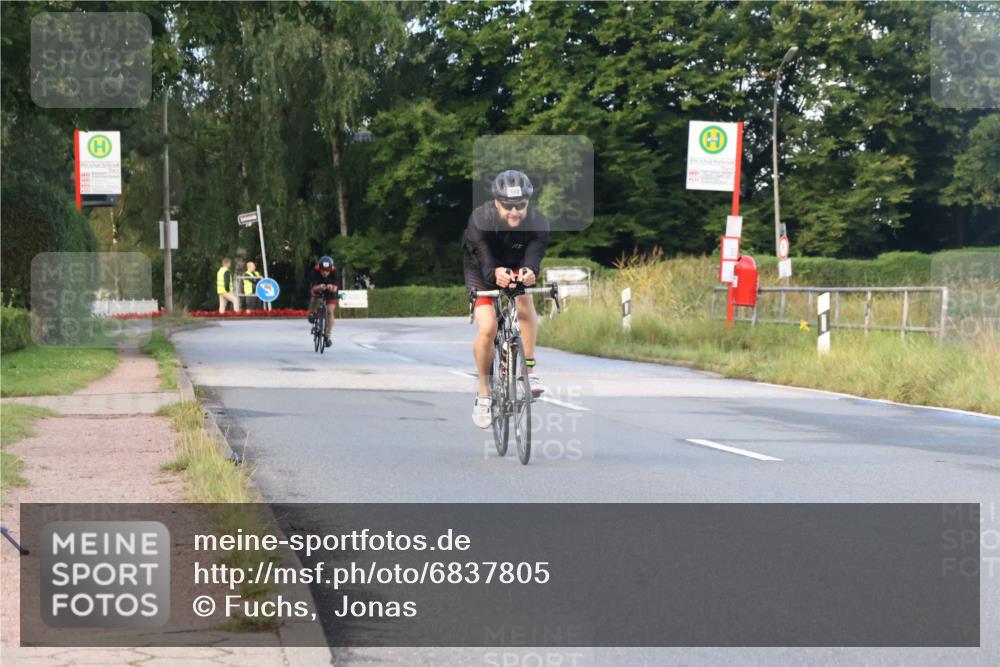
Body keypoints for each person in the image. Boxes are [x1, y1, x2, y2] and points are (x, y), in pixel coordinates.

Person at [463, 170, 550, 428]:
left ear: (528, 204)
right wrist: (493, 273)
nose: (514, 212)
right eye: (508, 206)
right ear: (497, 203)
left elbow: (534, 256)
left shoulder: (538, 222)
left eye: (520, 206)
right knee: (488, 327)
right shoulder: (480, 219)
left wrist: (529, 271)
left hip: (514, 264)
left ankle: (530, 372)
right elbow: (484, 257)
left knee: (524, 301)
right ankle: (484, 393)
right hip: (480, 267)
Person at [307, 255, 339, 348]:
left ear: (331, 269)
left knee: (330, 311)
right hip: (318, 288)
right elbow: (312, 289)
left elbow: (335, 288)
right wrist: (319, 287)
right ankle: (312, 313)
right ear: (319, 269)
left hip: (330, 292)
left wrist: (331, 287)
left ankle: (328, 335)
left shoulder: (335, 272)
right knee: (314, 297)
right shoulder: (314, 272)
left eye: (327, 271)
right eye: (323, 270)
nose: (325, 272)